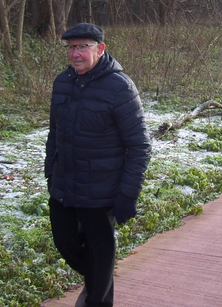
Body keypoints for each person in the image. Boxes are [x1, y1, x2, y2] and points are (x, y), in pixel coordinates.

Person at [45, 23, 151, 307]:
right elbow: (54, 134)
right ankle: (98, 279)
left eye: (83, 47)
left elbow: (139, 146)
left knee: (100, 255)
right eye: (71, 48)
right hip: (65, 187)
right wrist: (50, 175)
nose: (75, 54)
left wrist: (128, 195)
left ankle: (97, 295)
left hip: (102, 192)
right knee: (66, 243)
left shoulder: (120, 88)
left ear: (100, 49)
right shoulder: (62, 82)